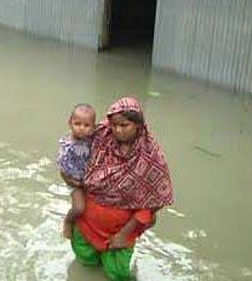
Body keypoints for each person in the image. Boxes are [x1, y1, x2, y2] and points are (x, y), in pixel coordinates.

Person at [71, 97, 173, 281]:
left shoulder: (150, 157)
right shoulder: (100, 137)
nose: (117, 130)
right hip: (86, 226)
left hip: (118, 234)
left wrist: (124, 235)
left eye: (124, 125)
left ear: (138, 125)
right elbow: (72, 152)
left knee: (118, 274)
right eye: (114, 125)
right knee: (85, 263)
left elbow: (151, 204)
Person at [57, 103, 96, 239]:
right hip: (75, 180)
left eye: (86, 125)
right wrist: (75, 182)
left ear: (93, 127)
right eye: (77, 123)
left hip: (90, 178)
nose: (81, 128)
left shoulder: (92, 138)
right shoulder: (67, 146)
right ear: (70, 122)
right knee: (79, 208)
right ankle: (68, 221)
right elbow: (64, 169)